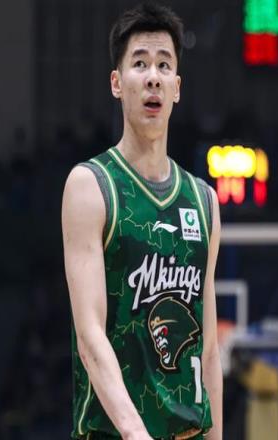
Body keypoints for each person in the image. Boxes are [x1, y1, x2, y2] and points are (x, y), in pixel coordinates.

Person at [62, 3, 222, 439]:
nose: (153, 76)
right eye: (140, 64)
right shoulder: (90, 186)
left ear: (176, 88)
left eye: (164, 65)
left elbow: (209, 351)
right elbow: (89, 335)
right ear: (117, 83)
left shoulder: (204, 201)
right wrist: (137, 435)